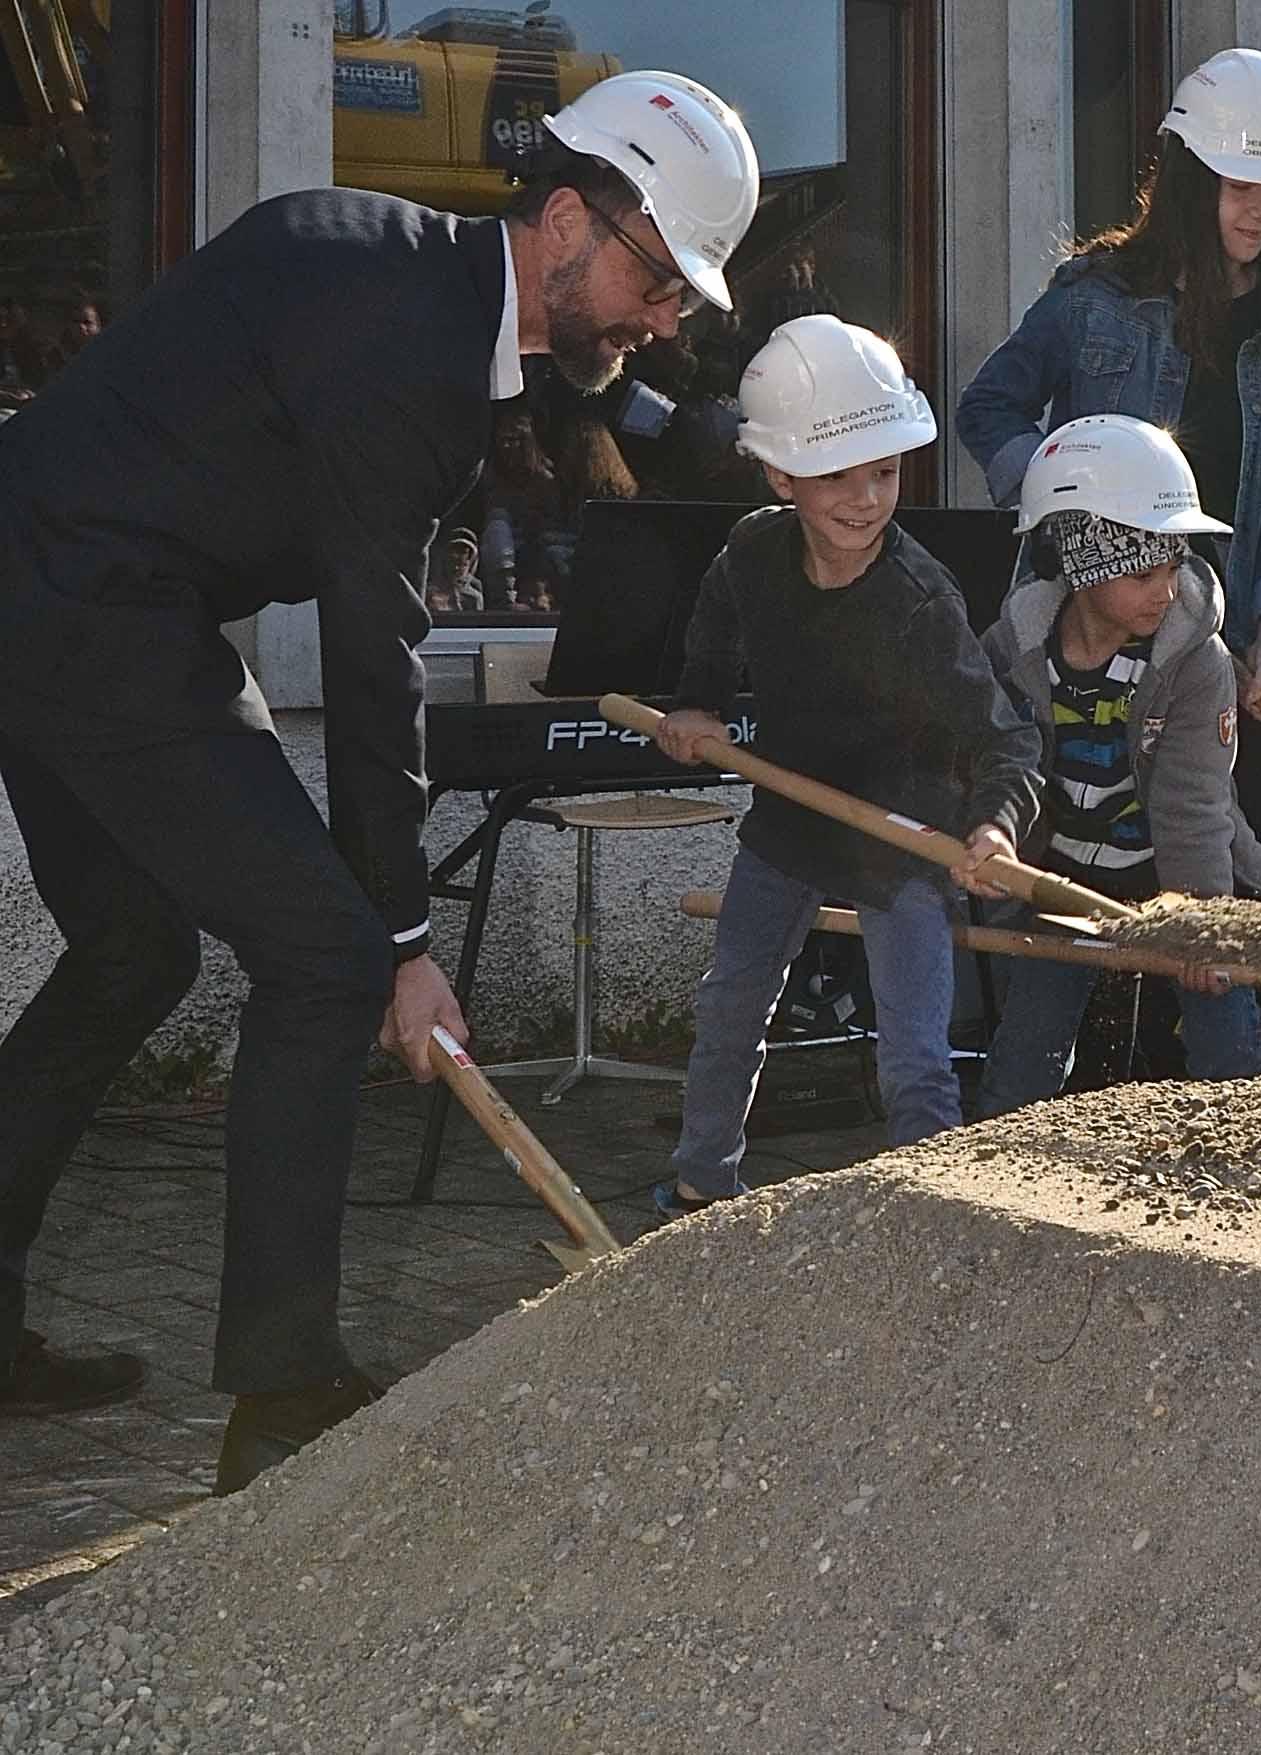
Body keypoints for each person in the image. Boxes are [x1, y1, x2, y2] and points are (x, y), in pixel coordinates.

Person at [0, 71, 759, 1493]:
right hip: (78, 604)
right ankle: (285, 1392)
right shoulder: (403, 330)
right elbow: (373, 654)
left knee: (133, 945)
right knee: (326, 959)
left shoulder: (427, 318)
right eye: (658, 279)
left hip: (88, 598)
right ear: (563, 221)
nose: (663, 319)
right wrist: (404, 939)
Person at [956, 46, 1261, 1065]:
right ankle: (1073, 1086)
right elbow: (989, 407)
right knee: (1086, 852)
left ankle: (1260, 1087)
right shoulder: (1093, 298)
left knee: (1236, 860)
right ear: (1190, 180)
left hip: (1222, 646)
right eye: (1240, 184)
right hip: (1096, 635)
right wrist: (1057, 511)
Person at [650, 317, 1041, 1210]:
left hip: (901, 832)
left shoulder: (918, 602)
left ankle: (934, 1214)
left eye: (886, 470)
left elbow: (1005, 738)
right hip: (792, 821)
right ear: (780, 473)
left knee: (912, 1048)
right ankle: (701, 1191)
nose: (866, 498)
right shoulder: (753, 552)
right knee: (730, 1009)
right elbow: (715, 614)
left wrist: (993, 823)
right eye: (838, 474)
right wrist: (700, 698)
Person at [979, 415, 1261, 1113]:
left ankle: (1246, 1160)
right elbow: (986, 759)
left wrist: (1201, 924)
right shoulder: (1014, 652)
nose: (1166, 590)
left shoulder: (1194, 663)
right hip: (1061, 883)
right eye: (1144, 572)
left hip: (1177, 877)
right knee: (1026, 1060)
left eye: (1174, 566)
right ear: (1084, 567)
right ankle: (994, 1169)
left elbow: (1193, 804)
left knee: (1226, 1038)